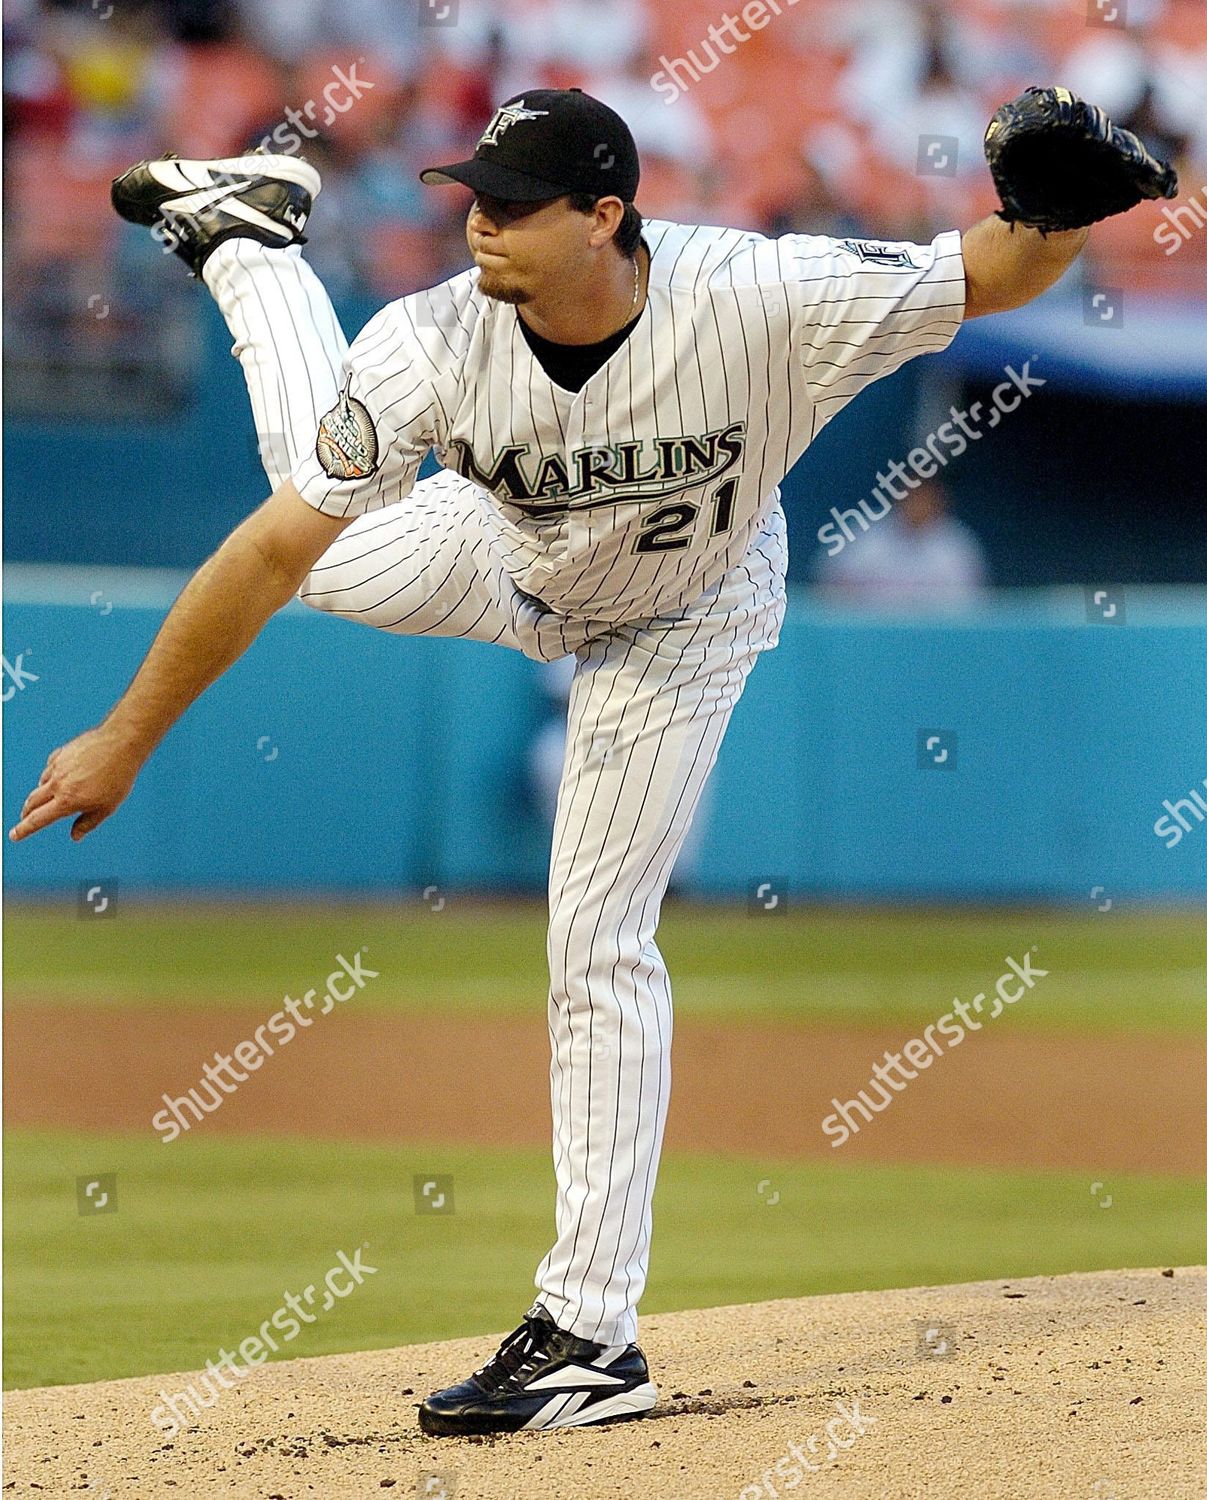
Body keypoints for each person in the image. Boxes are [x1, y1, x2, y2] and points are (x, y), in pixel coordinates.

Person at [12, 86, 1108, 1435]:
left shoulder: (763, 296)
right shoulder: (428, 342)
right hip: (501, 552)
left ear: (607, 214)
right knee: (320, 533)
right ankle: (253, 243)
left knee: (595, 938)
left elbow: (990, 271)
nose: (480, 222)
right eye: (472, 194)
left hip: (686, 615)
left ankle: (588, 1333)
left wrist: (1049, 214)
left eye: (515, 202)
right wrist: (127, 735)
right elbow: (265, 552)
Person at [813, 479, 988, 609]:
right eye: (913, 495)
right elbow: (826, 592)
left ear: (938, 500)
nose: (918, 504)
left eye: (924, 496)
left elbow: (968, 611)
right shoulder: (864, 536)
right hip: (869, 639)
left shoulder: (956, 547)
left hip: (932, 644)